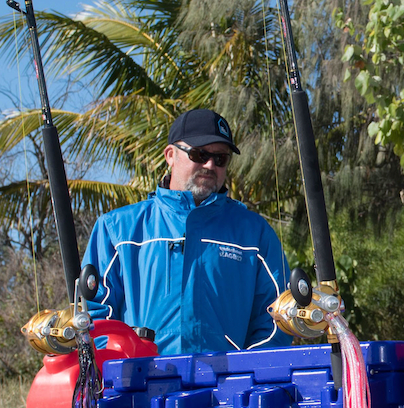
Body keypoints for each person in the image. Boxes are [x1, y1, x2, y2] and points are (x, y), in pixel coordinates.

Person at [81, 108, 293, 356]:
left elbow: (277, 317)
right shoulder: (117, 229)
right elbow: (94, 313)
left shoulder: (255, 233)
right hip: (137, 378)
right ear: (170, 155)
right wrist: (122, 366)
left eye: (220, 158)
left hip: (230, 380)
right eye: (199, 154)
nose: (210, 164)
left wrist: (244, 372)